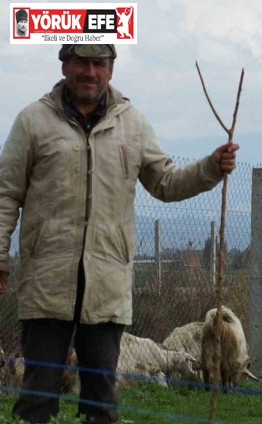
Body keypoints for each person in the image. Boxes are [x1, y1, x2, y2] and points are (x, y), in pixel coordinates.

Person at [0, 44, 239, 424]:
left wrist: (211, 167)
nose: (90, 72)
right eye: (81, 62)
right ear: (65, 66)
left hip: (107, 282)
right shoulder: (32, 122)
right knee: (37, 396)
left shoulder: (134, 123)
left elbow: (166, 182)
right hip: (46, 280)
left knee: (101, 399)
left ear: (111, 69)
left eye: (99, 63)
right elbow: (5, 194)